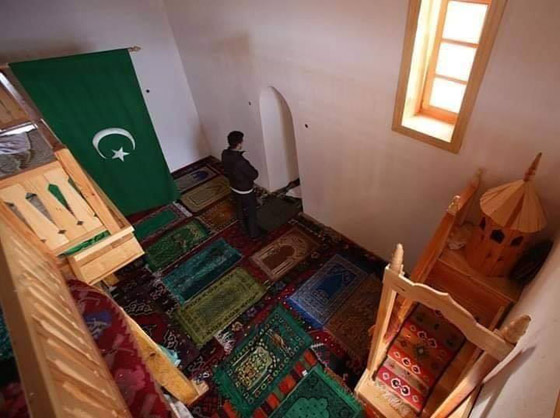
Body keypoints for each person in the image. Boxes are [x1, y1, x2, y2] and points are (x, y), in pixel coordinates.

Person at [222, 131, 261, 238]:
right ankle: (254, 233)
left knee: (239, 207)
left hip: (233, 186)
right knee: (251, 211)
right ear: (239, 144)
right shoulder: (240, 162)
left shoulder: (224, 153)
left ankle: (242, 226)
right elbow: (254, 174)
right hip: (245, 190)